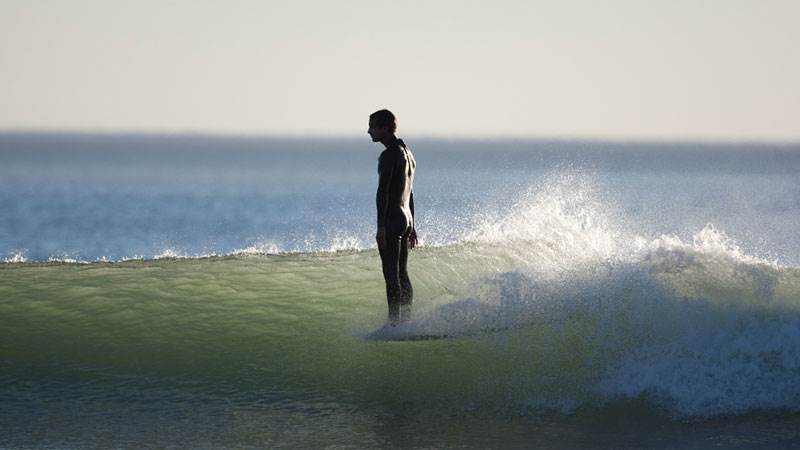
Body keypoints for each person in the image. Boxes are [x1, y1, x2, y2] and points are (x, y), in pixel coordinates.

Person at [368, 109, 417, 325]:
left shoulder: (388, 155)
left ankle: (394, 323)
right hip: (406, 218)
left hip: (392, 219)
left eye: (372, 126)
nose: (369, 131)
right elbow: (410, 192)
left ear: (385, 128)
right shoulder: (408, 153)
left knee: (391, 274)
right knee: (402, 273)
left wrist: (381, 227)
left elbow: (383, 192)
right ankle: (406, 320)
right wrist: (413, 226)